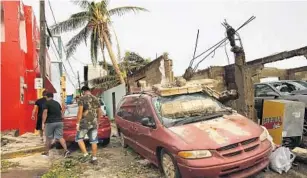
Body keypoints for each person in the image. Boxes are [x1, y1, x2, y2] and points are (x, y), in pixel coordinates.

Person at [76, 86, 103, 165]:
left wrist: (77, 123)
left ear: (83, 91)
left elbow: (80, 112)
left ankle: (86, 154)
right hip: (94, 124)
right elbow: (99, 112)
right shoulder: (96, 99)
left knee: (79, 139)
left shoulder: (82, 99)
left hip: (84, 124)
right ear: (89, 90)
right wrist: (98, 122)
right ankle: (94, 158)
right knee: (94, 141)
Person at [42, 92, 70, 157]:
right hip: (59, 122)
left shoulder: (46, 103)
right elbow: (61, 112)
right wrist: (61, 118)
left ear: (46, 96)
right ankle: (66, 150)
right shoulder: (57, 103)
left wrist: (43, 123)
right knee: (60, 137)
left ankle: (47, 152)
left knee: (48, 138)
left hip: (50, 122)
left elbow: (45, 112)